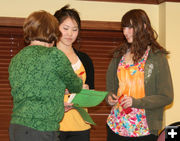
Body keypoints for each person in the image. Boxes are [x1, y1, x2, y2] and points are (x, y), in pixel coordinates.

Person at [8, 10, 83, 141]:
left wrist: (57, 105)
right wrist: (80, 81)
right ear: (52, 33)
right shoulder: (55, 55)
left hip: (17, 127)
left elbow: (33, 92)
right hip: (41, 128)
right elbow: (76, 86)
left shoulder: (16, 59)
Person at [105, 9, 173, 141]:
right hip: (115, 126)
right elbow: (111, 88)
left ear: (144, 26)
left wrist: (136, 102)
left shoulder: (157, 57)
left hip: (144, 130)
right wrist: (109, 97)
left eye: (131, 27)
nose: (125, 32)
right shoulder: (118, 56)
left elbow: (166, 97)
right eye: (124, 27)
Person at [54, 5, 94, 141]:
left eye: (74, 30)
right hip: (53, 125)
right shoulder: (48, 57)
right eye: (65, 28)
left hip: (80, 126)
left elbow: (91, 94)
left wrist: (87, 92)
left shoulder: (85, 59)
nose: (70, 34)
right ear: (56, 27)